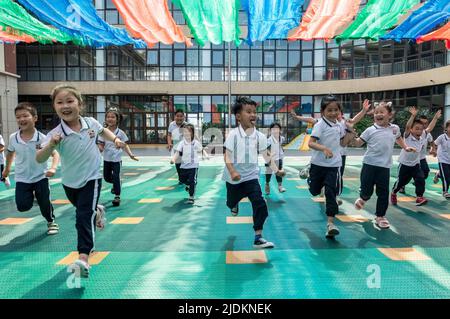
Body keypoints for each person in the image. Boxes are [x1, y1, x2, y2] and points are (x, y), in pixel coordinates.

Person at [36, 85, 126, 278]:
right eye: (60, 102)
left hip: (92, 178)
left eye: (70, 101)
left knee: (83, 216)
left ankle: (83, 257)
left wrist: (116, 140)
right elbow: (40, 158)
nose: (65, 106)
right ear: (55, 107)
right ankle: (99, 210)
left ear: (80, 104)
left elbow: (104, 132)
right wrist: (52, 144)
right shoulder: (55, 134)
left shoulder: (90, 123)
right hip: (70, 183)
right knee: (87, 211)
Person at [223, 97, 285, 249]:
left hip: (251, 177)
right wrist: (232, 171)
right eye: (248, 112)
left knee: (260, 204)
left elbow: (266, 156)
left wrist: (277, 170)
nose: (253, 115)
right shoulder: (233, 135)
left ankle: (258, 237)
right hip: (234, 179)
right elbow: (227, 155)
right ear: (238, 116)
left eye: (254, 112)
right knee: (231, 202)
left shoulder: (260, 136)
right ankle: (234, 203)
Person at [352, 101, 416, 229]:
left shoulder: (394, 128)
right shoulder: (370, 130)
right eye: (376, 112)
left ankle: (380, 216)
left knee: (383, 193)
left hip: (384, 167)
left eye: (381, 112)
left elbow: (398, 138)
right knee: (367, 190)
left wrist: (405, 147)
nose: (378, 114)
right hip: (369, 165)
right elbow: (358, 143)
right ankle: (363, 198)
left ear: (390, 115)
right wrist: (351, 135)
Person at [2, 102, 60, 235]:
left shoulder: (42, 138)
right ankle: (35, 197)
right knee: (23, 206)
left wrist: (53, 168)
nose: (21, 119)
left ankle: (51, 222)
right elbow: (10, 153)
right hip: (22, 178)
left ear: (35, 118)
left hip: (41, 176)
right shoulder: (13, 138)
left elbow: (55, 153)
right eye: (18, 117)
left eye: (25, 116)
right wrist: (7, 169)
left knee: (44, 202)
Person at [307, 95, 356, 238]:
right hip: (318, 164)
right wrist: (323, 148)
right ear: (323, 111)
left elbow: (342, 143)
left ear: (340, 111)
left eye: (336, 110)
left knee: (331, 192)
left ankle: (330, 224)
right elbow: (311, 143)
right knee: (314, 191)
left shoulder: (339, 125)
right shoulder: (320, 125)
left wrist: (351, 132)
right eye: (329, 110)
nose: (333, 113)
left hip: (334, 165)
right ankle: (308, 176)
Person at [98, 107, 138, 207]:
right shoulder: (103, 132)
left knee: (116, 176)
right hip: (107, 159)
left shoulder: (120, 133)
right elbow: (101, 145)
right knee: (107, 178)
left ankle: (117, 196)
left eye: (112, 117)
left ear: (117, 119)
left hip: (116, 160)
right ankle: (117, 184)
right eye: (108, 117)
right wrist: (98, 150)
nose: (110, 119)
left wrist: (130, 154)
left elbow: (125, 145)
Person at [391, 119, 428, 206]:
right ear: (411, 129)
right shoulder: (407, 137)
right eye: (416, 128)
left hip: (415, 164)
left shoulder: (422, 139)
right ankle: (393, 192)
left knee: (420, 178)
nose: (419, 131)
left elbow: (428, 129)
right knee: (401, 182)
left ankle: (419, 197)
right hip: (404, 165)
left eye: (421, 129)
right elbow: (407, 126)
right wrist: (413, 115)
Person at [170, 123, 207, 204]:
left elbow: (201, 150)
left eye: (189, 132)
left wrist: (206, 155)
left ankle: (191, 197)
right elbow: (177, 153)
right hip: (184, 166)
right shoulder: (182, 143)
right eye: (185, 132)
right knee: (182, 180)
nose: (187, 133)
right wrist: (173, 159)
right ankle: (190, 186)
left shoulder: (195, 142)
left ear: (192, 133)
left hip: (193, 166)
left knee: (192, 181)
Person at [264, 123, 286, 195]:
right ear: (271, 130)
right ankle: (267, 184)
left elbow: (281, 146)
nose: (276, 130)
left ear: (280, 130)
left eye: (277, 128)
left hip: (279, 159)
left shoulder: (282, 138)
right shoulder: (269, 140)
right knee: (268, 174)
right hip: (270, 160)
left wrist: (281, 151)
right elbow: (267, 150)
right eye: (274, 129)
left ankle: (280, 186)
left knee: (279, 173)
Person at [430, 120, 450, 199]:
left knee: (448, 175)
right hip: (442, 159)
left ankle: (438, 174)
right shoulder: (442, 137)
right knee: (446, 177)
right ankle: (445, 191)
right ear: (446, 128)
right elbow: (434, 144)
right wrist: (433, 150)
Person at [167, 109, 186, 184]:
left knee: (185, 164)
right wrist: (169, 143)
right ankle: (181, 179)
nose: (179, 118)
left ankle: (185, 178)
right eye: (177, 116)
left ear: (184, 117)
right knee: (178, 164)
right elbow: (169, 135)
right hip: (176, 148)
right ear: (175, 117)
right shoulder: (172, 124)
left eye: (181, 116)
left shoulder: (186, 125)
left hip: (185, 148)